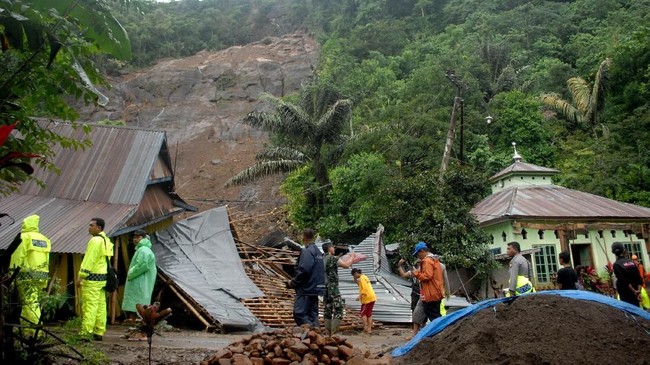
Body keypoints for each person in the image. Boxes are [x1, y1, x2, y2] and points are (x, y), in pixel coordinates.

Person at [10, 214, 51, 337]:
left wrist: (11, 276)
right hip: (42, 274)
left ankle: (35, 332)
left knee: (30, 304)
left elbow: (17, 258)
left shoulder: (24, 237)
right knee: (31, 302)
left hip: (26, 275)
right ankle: (27, 331)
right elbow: (47, 259)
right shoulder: (44, 239)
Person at [77, 218, 114, 341]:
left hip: (92, 279)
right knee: (101, 306)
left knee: (90, 306)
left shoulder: (95, 241)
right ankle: (99, 331)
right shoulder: (107, 241)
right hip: (102, 279)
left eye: (91, 225)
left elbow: (89, 260)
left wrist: (81, 276)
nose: (89, 227)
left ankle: (85, 332)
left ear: (99, 228)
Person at [286, 228, 325, 327]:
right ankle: (317, 336)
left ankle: (311, 331)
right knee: (312, 314)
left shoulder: (307, 251)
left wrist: (293, 283)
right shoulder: (318, 252)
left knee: (299, 313)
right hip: (315, 288)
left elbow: (304, 270)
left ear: (303, 237)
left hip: (306, 289)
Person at [122, 229, 157, 333]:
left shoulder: (143, 250)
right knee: (137, 303)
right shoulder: (142, 249)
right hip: (140, 280)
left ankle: (139, 329)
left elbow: (142, 265)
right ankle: (135, 327)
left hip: (140, 281)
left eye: (138, 237)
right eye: (134, 237)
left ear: (143, 238)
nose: (136, 239)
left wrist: (131, 273)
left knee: (139, 303)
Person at [322, 242, 354, 335]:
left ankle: (327, 332)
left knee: (327, 308)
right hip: (333, 287)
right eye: (333, 247)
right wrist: (352, 257)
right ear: (329, 249)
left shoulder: (321, 259)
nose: (334, 249)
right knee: (338, 308)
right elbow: (347, 265)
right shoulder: (333, 259)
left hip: (324, 288)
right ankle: (334, 333)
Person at [412, 242, 446, 325]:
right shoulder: (435, 260)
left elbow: (427, 276)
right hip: (436, 292)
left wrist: (416, 273)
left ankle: (440, 332)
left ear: (422, 251)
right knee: (436, 314)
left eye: (418, 254)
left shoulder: (427, 261)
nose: (418, 257)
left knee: (433, 316)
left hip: (431, 294)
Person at [351, 268, 376, 334]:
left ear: (356, 273)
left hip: (367, 298)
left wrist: (359, 297)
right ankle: (369, 329)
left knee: (363, 313)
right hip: (371, 297)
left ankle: (365, 327)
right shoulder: (365, 277)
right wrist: (355, 278)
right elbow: (359, 284)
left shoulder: (362, 278)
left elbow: (364, 289)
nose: (354, 277)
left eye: (354, 275)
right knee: (369, 314)